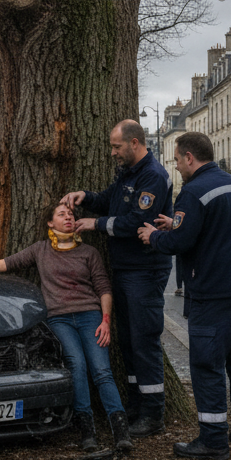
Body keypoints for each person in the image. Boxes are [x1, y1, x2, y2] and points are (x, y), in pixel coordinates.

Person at [136, 132, 231, 460]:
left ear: (189, 157)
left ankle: (213, 439)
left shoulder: (193, 192)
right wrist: (175, 226)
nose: (176, 166)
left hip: (215, 290)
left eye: (177, 160)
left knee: (207, 364)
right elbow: (212, 229)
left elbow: (180, 244)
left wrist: (154, 236)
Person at [0, 203, 132, 452]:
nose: (68, 217)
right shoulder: (41, 249)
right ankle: (87, 431)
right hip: (59, 319)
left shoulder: (89, 252)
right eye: (61, 214)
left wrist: (106, 320)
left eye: (71, 214)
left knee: (101, 371)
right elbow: (10, 263)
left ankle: (120, 431)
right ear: (50, 223)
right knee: (76, 364)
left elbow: (104, 288)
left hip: (90, 316)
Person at [62, 120, 173, 438]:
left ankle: (153, 414)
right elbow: (111, 198)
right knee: (128, 341)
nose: (112, 152)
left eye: (116, 146)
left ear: (135, 143)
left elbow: (138, 221)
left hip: (145, 269)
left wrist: (96, 224)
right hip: (126, 269)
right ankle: (137, 405)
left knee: (144, 341)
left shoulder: (153, 175)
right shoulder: (130, 173)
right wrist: (87, 196)